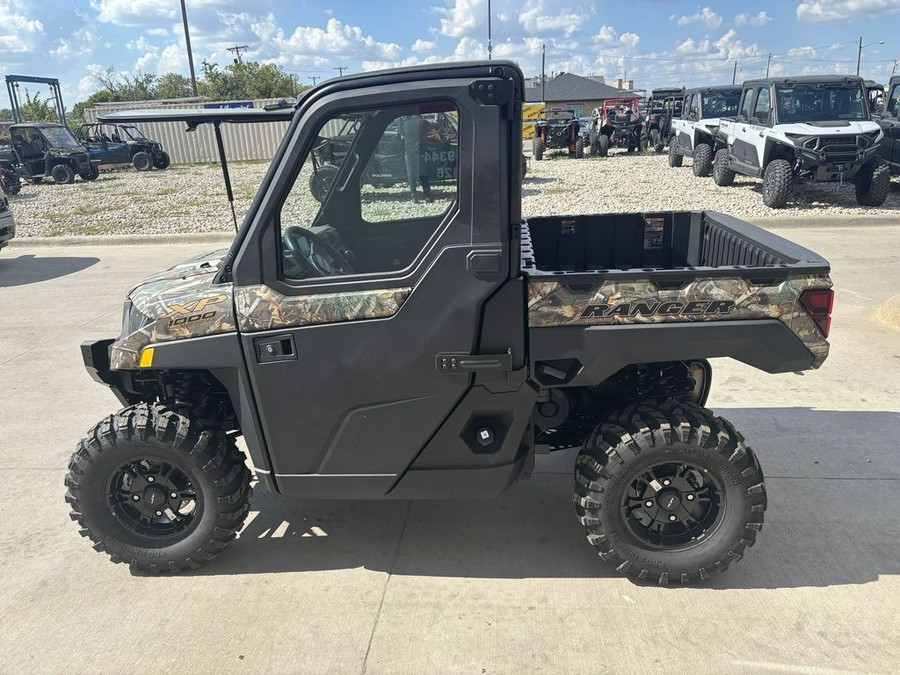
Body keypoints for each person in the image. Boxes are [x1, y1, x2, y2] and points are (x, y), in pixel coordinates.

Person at [401, 114, 433, 203]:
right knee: (423, 174)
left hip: (409, 152)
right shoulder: (424, 122)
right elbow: (434, 132)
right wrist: (439, 139)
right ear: (421, 115)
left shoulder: (406, 124)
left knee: (411, 175)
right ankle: (427, 196)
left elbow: (402, 137)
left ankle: (414, 197)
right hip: (420, 152)